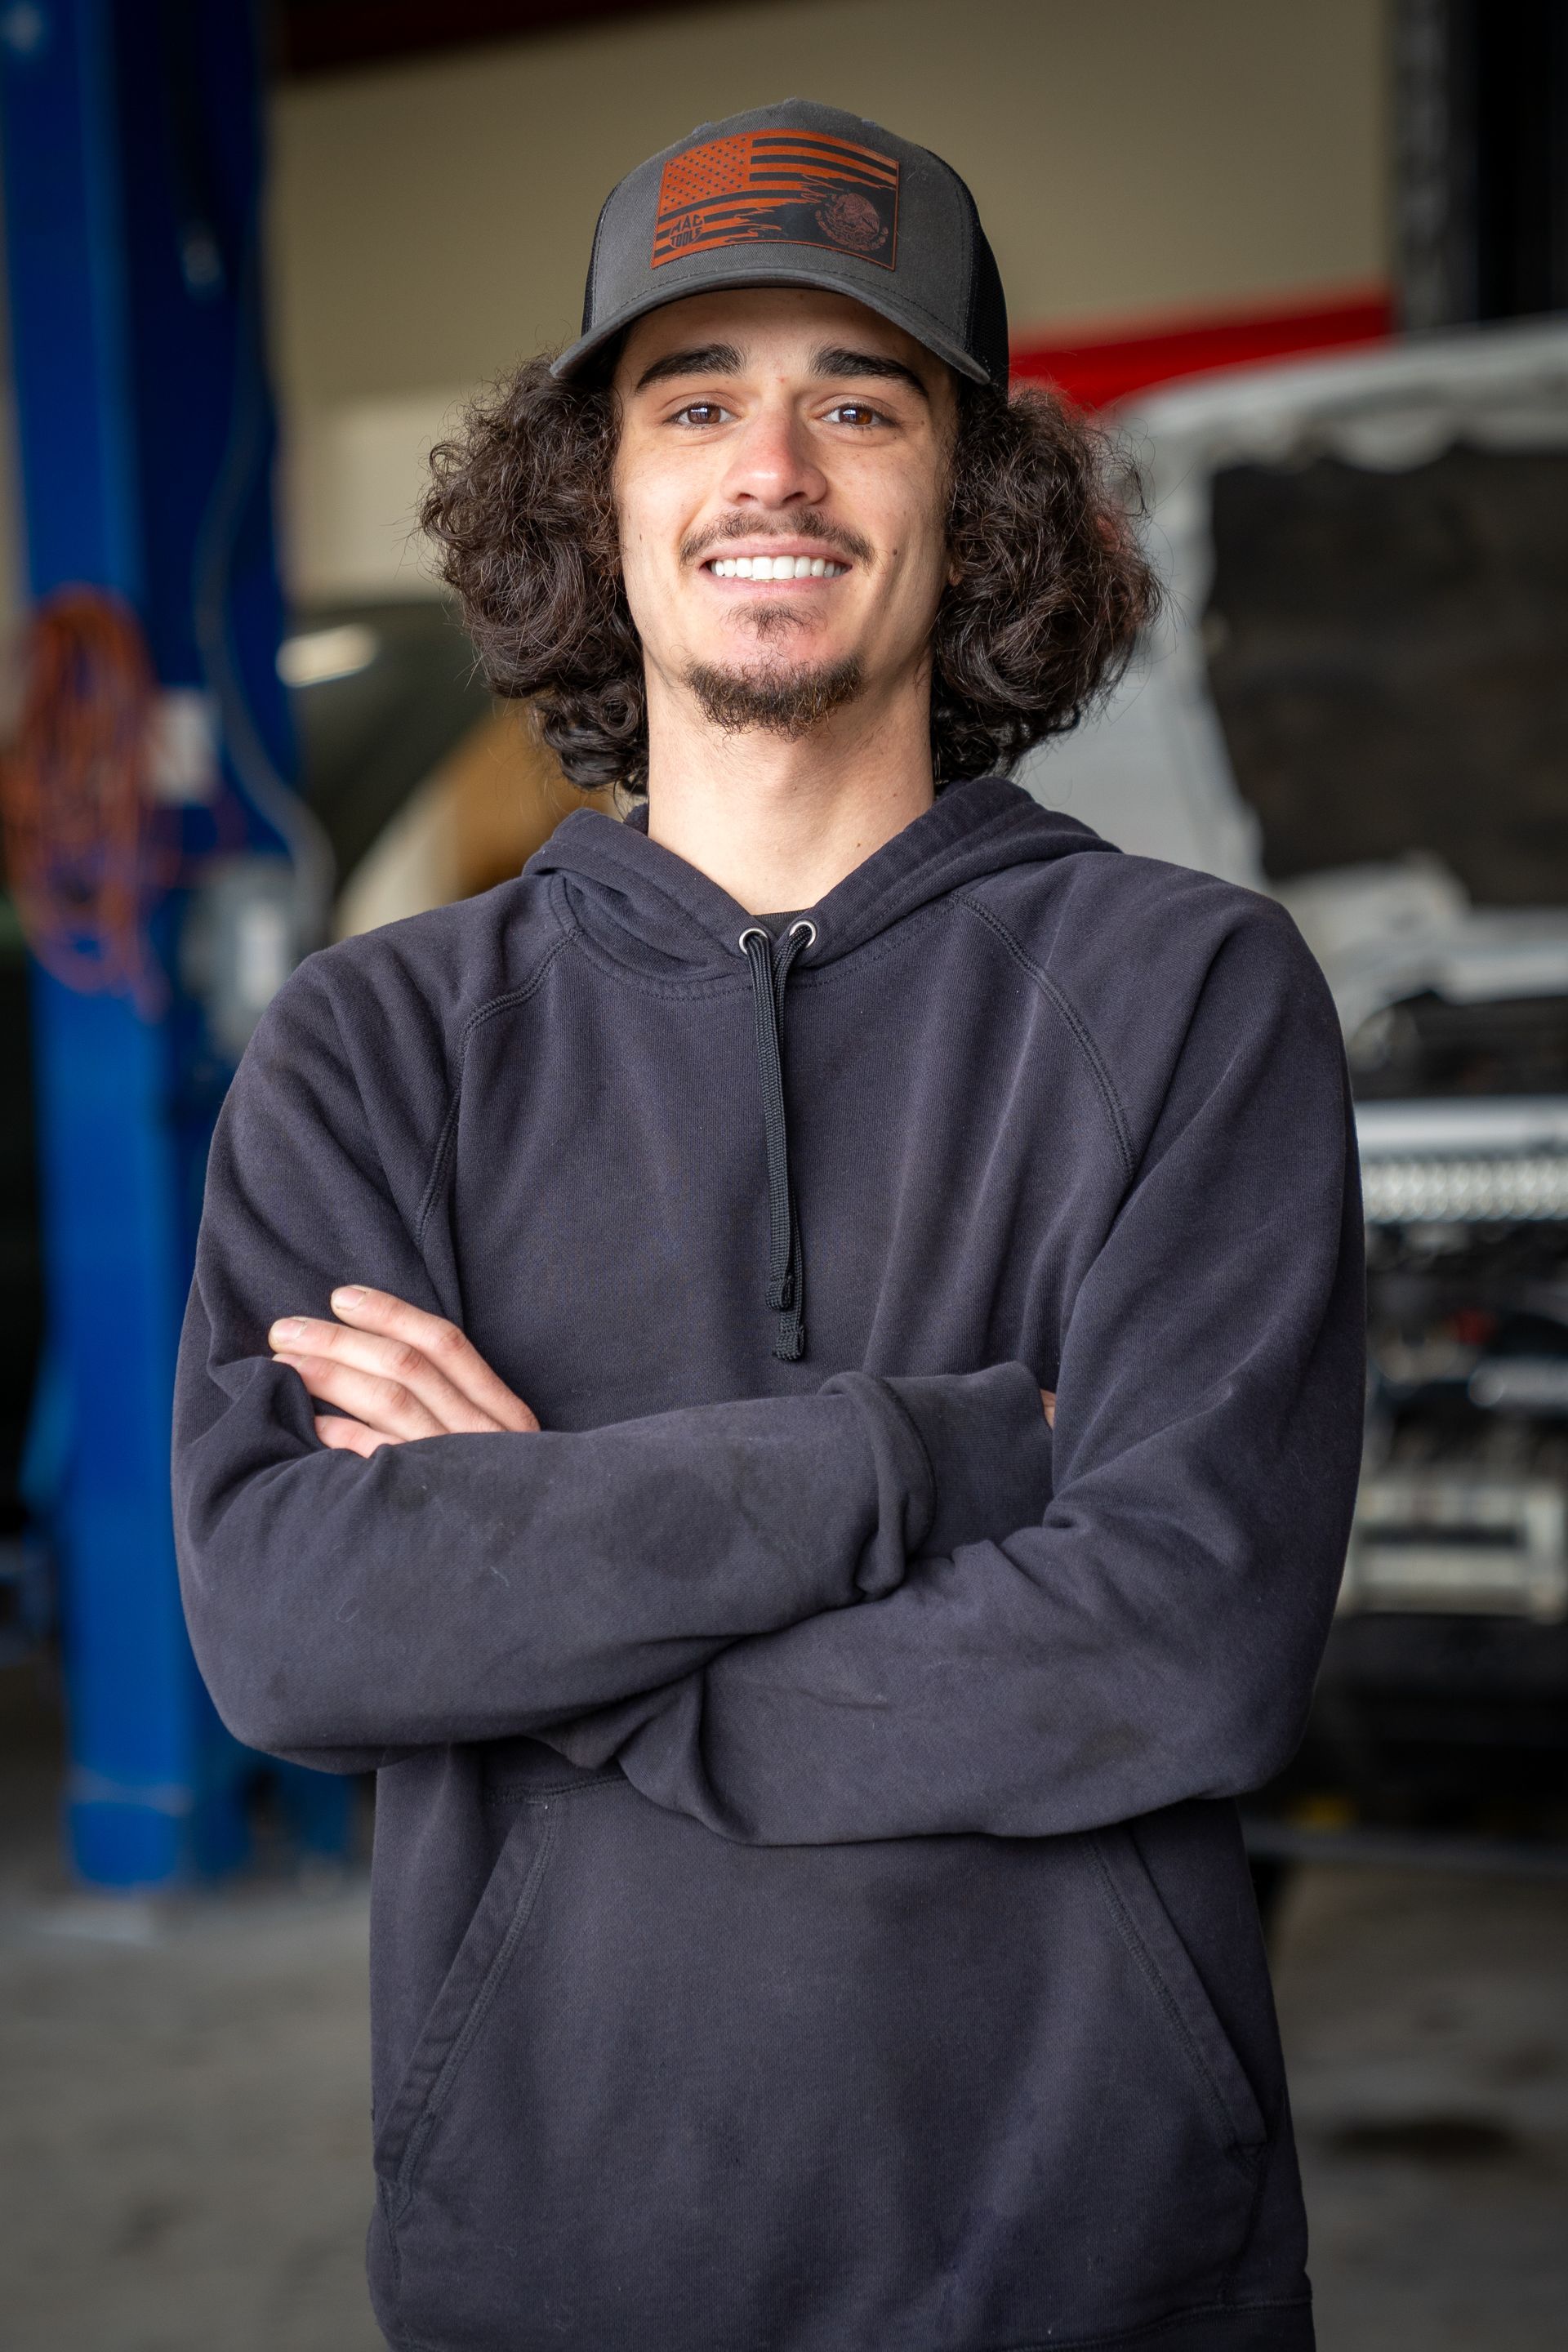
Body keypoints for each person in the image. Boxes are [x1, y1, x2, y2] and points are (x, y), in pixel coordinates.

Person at [174, 99, 1364, 2352]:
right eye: (693, 400)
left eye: (862, 402)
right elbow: (301, 1634)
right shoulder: (379, 1043)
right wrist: (919, 1460)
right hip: (549, 2258)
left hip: (1094, 2258)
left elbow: (1181, 1645)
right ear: (598, 498)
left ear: (977, 502)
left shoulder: (1186, 997)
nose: (774, 472)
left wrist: (545, 1599)